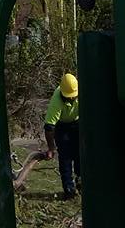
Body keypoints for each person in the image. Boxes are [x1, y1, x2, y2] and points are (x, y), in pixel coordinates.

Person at [44, 72, 81, 200]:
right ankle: (69, 190)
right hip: (62, 126)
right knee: (65, 156)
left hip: (77, 123)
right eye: (68, 97)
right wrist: (51, 148)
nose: (71, 99)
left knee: (80, 153)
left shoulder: (81, 92)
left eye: (73, 97)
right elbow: (49, 127)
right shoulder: (57, 99)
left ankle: (81, 182)